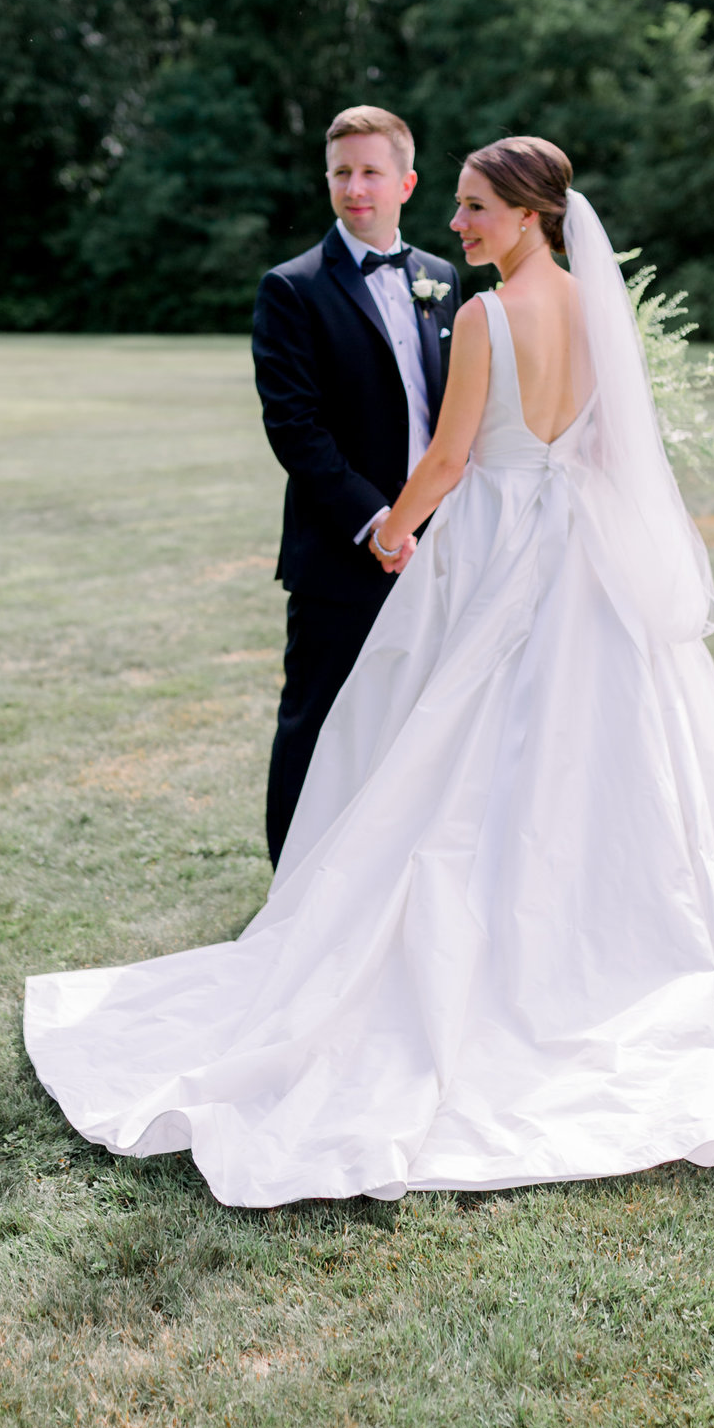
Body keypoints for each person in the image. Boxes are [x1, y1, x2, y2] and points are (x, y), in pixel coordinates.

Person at [24, 137, 714, 1207]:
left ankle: (486, 945)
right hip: (582, 554)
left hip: (492, 545)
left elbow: (447, 460)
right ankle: (598, 927)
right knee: (589, 741)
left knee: (451, 743)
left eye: (476, 207)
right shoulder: (597, 311)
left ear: (530, 215)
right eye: (456, 206)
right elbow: (617, 456)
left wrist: (395, 529)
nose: (458, 224)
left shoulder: (487, 315)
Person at [250, 106, 462, 867]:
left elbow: (454, 413)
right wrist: (377, 520)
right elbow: (295, 430)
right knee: (318, 720)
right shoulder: (292, 288)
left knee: (416, 722)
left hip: (437, 547)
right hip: (344, 552)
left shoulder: (443, 278)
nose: (354, 186)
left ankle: (385, 882)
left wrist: (429, 520)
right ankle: (291, 891)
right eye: (341, 172)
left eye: (371, 171)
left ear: (406, 181)